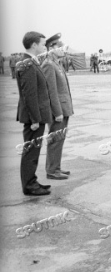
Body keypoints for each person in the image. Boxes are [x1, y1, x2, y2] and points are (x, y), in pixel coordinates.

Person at [15, 31, 53, 195]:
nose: (45, 47)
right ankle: (29, 185)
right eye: (43, 44)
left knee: (33, 150)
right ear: (34, 45)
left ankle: (32, 180)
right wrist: (35, 119)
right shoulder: (28, 64)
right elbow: (29, 94)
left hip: (36, 115)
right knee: (31, 151)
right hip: (34, 117)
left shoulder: (31, 62)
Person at [41, 33, 74, 180]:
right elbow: (51, 91)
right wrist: (57, 111)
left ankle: (56, 167)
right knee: (55, 140)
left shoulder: (56, 63)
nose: (63, 49)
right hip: (57, 110)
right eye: (61, 47)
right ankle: (52, 171)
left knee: (59, 139)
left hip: (63, 108)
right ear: (51, 48)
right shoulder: (48, 64)